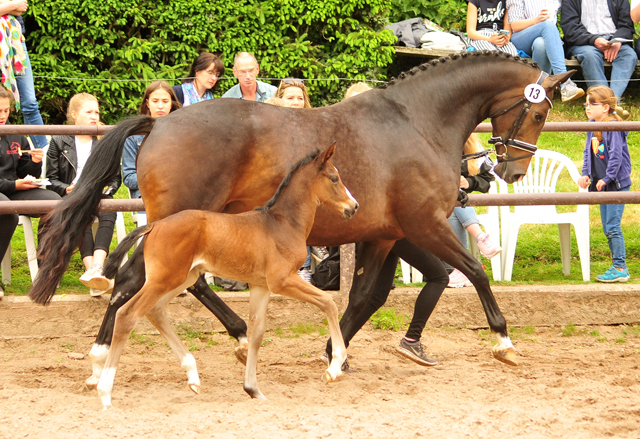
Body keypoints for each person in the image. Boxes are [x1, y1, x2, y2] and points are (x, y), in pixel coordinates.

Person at [46, 93, 121, 296]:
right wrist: (65, 189)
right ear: (74, 114)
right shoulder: (59, 141)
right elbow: (51, 179)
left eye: (96, 112)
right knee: (79, 209)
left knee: (109, 207)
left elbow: (115, 180)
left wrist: (102, 191)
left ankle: (97, 266)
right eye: (88, 112)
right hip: (72, 194)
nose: (94, 116)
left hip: (99, 194)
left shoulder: (105, 140)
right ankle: (92, 271)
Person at [0, 86, 61, 297]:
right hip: (6, 192)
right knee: (7, 212)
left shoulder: (16, 134)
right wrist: (14, 185)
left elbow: (24, 171)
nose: (2, 116)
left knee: (55, 203)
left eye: (6, 111)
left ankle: (46, 268)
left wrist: (35, 163)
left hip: (15, 189)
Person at [271, 78, 328, 282]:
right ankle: (301, 267)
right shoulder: (272, 124)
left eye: (299, 98)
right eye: (290, 98)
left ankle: (319, 252)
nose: (295, 102)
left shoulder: (312, 124)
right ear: (280, 99)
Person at [577, 86, 631, 283]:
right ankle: (618, 265)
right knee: (608, 227)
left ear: (606, 107)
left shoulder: (613, 127)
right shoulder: (591, 125)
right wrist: (586, 174)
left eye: (593, 103)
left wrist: (607, 178)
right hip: (603, 184)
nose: (588, 107)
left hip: (616, 184)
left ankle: (620, 267)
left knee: (612, 226)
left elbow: (616, 156)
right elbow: (588, 153)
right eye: (586, 103)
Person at [447, 134, 502, 288]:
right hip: (428, 200)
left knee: (454, 197)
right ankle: (480, 238)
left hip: (452, 204)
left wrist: (468, 182)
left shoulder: (472, 146)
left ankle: (462, 267)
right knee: (452, 193)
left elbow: (488, 180)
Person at [561, 0, 636, 108]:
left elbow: (627, 25)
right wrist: (594, 40)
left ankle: (610, 102)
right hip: (584, 43)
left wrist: (618, 40)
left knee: (629, 56)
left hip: (614, 41)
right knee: (590, 56)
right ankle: (606, 103)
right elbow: (570, 28)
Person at [506, 0, 584, 102]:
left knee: (541, 44)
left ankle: (541, 90)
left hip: (546, 38)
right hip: (521, 38)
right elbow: (515, 26)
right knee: (547, 25)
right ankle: (565, 83)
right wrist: (536, 20)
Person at [0, 0, 47, 149]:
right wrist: (11, 5)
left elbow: (21, 7)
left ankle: (44, 155)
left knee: (30, 103)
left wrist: (9, 6)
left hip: (15, 41)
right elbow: (16, 5)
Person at [123, 81, 181, 199]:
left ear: (171, 104)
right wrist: (158, 179)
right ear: (147, 103)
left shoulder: (182, 132)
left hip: (178, 195)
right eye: (155, 101)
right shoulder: (133, 135)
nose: (160, 106)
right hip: (147, 196)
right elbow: (128, 177)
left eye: (165, 101)